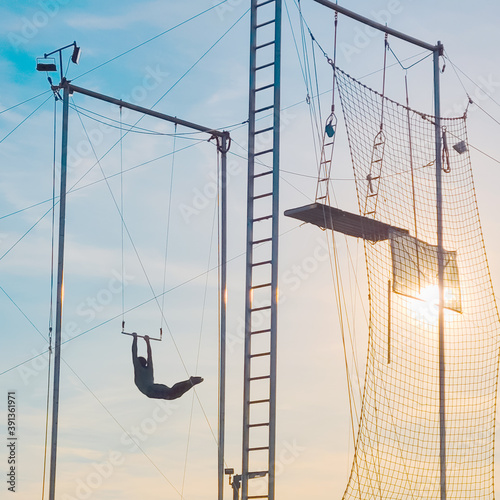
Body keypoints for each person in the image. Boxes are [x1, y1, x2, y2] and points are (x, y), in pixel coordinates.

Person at [132, 333, 203, 400]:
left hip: (150, 390)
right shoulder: (149, 368)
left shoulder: (138, 368)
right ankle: (189, 382)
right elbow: (149, 354)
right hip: (153, 388)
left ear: (138, 362)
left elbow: (134, 352)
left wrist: (135, 339)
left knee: (172, 393)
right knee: (172, 393)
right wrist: (147, 342)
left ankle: (189, 382)